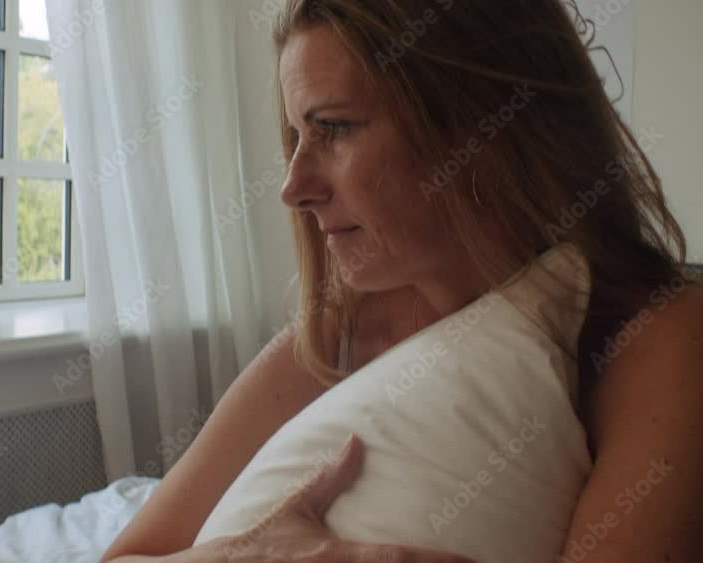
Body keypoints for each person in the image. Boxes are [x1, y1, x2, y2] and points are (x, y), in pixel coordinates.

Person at [101, 1, 703, 561]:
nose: (292, 187)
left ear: (479, 126)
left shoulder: (659, 336)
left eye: (333, 128)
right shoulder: (332, 337)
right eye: (296, 137)